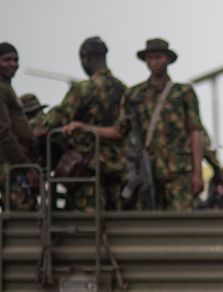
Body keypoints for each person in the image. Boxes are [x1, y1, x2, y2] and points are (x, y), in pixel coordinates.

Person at [66, 38, 204, 211]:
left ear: (167, 59)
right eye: (151, 58)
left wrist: (198, 173)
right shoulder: (134, 94)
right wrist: (85, 128)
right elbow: (118, 131)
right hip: (147, 172)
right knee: (148, 227)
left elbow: (195, 132)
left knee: (182, 224)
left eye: (158, 57)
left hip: (178, 173)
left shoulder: (183, 92)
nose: (154, 62)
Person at [40, 37, 127, 210]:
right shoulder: (124, 89)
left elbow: (54, 122)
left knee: (84, 224)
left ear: (86, 58)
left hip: (87, 169)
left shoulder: (83, 89)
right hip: (117, 167)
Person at [0, 41, 38, 210]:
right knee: (23, 211)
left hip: (15, 162)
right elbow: (3, 131)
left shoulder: (7, 88)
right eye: (7, 60)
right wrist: (24, 165)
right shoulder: (1, 89)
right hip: (11, 163)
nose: (12, 64)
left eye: (15, 60)